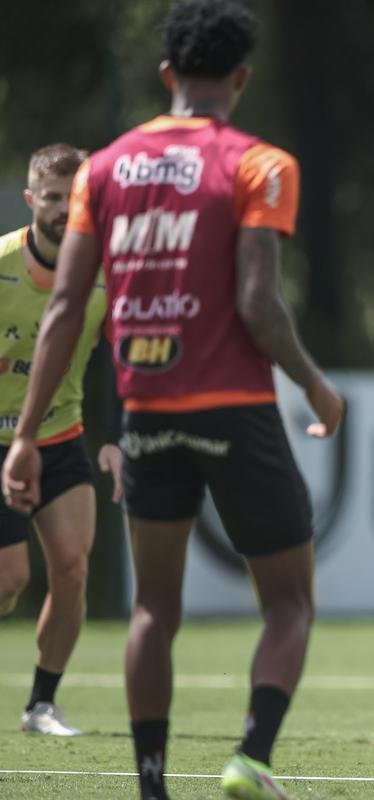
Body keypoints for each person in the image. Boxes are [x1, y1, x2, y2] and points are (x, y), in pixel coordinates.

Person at [1, 2, 345, 798]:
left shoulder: (104, 169)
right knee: (289, 601)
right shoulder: (261, 164)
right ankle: (250, 759)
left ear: (166, 76)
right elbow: (259, 304)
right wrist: (316, 384)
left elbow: (63, 310)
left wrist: (23, 436)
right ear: (240, 78)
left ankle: (152, 785)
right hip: (234, 407)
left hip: (146, 410)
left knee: (154, 608)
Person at [0, 143, 123, 737]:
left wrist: (116, 438)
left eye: (71, 198)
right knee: (10, 581)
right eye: (50, 198)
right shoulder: (0, 266)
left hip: (60, 435)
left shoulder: (104, 277)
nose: (59, 209)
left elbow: (127, 360)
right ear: (31, 201)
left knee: (72, 568)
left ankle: (40, 705)